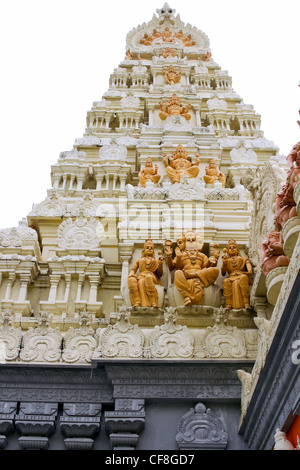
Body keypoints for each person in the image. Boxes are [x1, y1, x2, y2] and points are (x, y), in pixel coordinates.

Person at [164, 231, 219, 306]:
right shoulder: (182, 254)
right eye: (188, 240)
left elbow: (207, 267)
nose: (191, 242)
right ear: (185, 242)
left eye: (193, 240)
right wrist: (170, 256)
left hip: (199, 274)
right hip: (186, 274)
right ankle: (186, 296)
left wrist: (213, 259)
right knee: (177, 273)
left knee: (216, 270)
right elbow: (172, 267)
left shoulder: (201, 255)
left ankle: (193, 275)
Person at [128, 239, 164, 308]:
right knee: (134, 280)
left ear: (153, 251)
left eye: (151, 248)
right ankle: (137, 300)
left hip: (151, 276)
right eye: (147, 248)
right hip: (141, 276)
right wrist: (131, 275)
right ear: (144, 250)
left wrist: (160, 264)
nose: (149, 249)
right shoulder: (139, 260)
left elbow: (159, 274)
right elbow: (133, 270)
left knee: (148, 277)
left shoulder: (156, 261)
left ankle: (153, 301)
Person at [221, 240, 252, 311]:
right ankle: (229, 304)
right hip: (231, 277)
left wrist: (247, 273)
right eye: (230, 248)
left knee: (243, 277)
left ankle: (246, 303)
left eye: (234, 247)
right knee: (225, 281)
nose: (232, 249)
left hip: (241, 274)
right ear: (228, 251)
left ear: (237, 250)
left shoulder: (243, 259)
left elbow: (249, 270)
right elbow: (223, 273)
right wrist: (224, 263)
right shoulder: (227, 260)